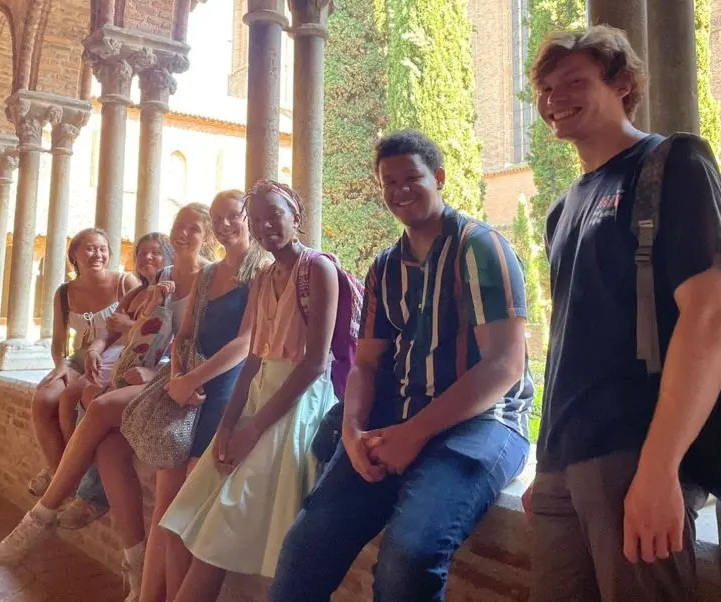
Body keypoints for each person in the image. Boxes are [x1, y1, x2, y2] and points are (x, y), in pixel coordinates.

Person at [269, 130, 532, 602]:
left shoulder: (479, 247)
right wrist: (351, 431)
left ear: (441, 178)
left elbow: (505, 365)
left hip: (485, 424)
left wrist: (415, 434)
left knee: (408, 557)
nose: (400, 191)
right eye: (389, 182)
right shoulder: (386, 266)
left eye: (412, 177)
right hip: (400, 422)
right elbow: (366, 363)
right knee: (305, 547)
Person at [522, 25, 721, 601]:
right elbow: (569, 340)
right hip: (562, 465)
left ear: (622, 84)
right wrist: (549, 466)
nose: (552, 100)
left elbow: (711, 314)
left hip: (632, 454)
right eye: (544, 88)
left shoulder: (672, 163)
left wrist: (661, 466)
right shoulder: (563, 207)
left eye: (573, 82)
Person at [0, 204, 214, 598]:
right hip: (155, 375)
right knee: (109, 448)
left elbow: (197, 341)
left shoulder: (211, 277)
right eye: (178, 226)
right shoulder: (162, 279)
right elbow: (124, 328)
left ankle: (42, 513)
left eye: (193, 229)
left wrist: (165, 369)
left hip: (184, 384)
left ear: (207, 235)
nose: (181, 235)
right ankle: (136, 565)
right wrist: (96, 346)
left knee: (99, 406)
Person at [159, 180, 339, 602]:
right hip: (259, 397)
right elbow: (254, 359)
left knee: (227, 519)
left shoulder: (318, 270)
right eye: (256, 219)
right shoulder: (263, 278)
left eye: (273, 214)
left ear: (296, 215)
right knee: (190, 511)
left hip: (295, 405)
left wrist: (252, 429)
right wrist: (226, 426)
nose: (264, 225)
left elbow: (315, 363)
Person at [138, 190, 270, 601]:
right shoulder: (209, 274)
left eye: (233, 215)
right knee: (167, 509)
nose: (226, 224)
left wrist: (193, 379)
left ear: (248, 218)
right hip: (187, 389)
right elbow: (183, 336)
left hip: (226, 390)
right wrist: (179, 378)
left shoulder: (261, 270)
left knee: (188, 513)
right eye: (218, 217)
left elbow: (247, 343)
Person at [55, 231, 175, 531]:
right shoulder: (135, 294)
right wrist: (95, 349)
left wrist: (129, 325)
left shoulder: (171, 291)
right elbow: (108, 331)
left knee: (94, 400)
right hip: (120, 361)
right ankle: (74, 479)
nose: (147, 257)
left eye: (156, 253)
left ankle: (85, 492)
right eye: (142, 253)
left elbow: (169, 335)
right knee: (81, 394)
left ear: (169, 258)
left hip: (150, 368)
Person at [28, 227, 139, 497]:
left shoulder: (125, 283)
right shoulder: (65, 292)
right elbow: (58, 338)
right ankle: (59, 475)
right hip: (79, 357)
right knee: (43, 400)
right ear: (74, 255)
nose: (97, 254)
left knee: (71, 400)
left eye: (102, 248)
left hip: (116, 356)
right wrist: (59, 366)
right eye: (89, 248)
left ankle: (66, 476)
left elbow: (149, 324)